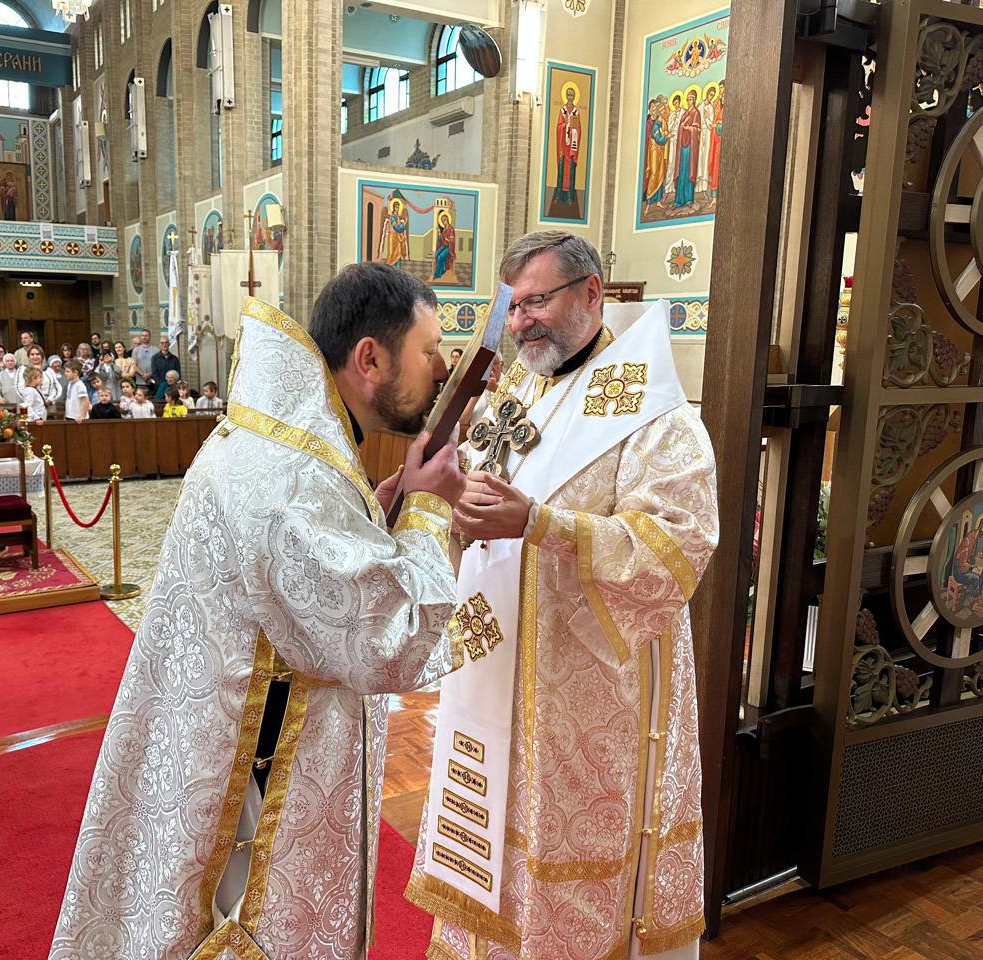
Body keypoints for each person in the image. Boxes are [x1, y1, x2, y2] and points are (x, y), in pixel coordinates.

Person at [50, 263, 467, 959]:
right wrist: (428, 509)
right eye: (429, 351)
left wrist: (379, 518)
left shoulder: (289, 440)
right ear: (370, 357)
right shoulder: (292, 473)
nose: (444, 366)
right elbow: (383, 643)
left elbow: (315, 581)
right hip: (257, 781)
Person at [405, 231, 719, 960]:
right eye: (512, 309)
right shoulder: (515, 391)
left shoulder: (656, 413)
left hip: (590, 702)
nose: (520, 325)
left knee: (573, 863)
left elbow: (679, 545)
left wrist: (544, 525)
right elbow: (475, 497)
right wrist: (446, 502)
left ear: (591, 293)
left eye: (536, 302)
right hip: (496, 671)